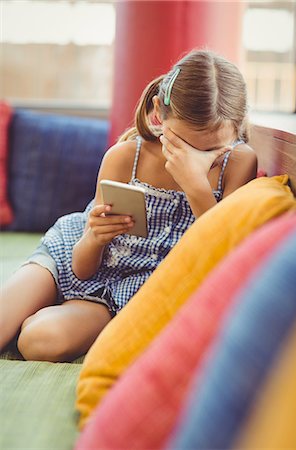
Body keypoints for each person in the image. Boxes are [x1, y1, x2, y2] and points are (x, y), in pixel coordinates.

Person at [0, 49, 257, 362]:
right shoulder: (125, 157)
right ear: (159, 115)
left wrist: (196, 186)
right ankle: (35, 303)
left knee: (38, 341)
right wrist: (94, 237)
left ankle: (49, 319)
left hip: (135, 293)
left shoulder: (239, 162)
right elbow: (82, 268)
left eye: (212, 150)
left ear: (237, 127)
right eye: (182, 143)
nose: (195, 157)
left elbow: (226, 255)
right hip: (75, 259)